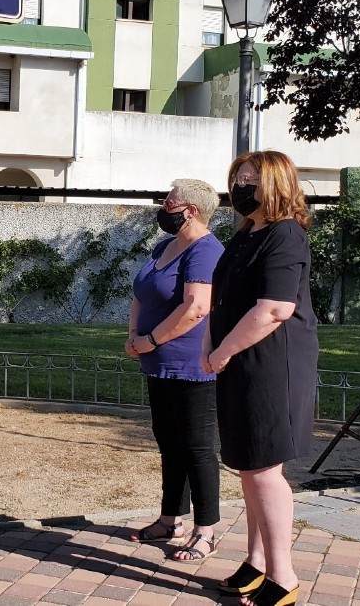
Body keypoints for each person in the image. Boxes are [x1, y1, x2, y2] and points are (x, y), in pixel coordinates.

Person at [204, 151, 317, 606]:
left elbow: (275, 309)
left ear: (276, 184)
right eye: (238, 179)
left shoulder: (285, 235)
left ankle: (283, 578)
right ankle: (255, 563)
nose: (241, 187)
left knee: (264, 469)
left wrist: (223, 350)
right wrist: (210, 345)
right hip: (239, 359)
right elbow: (221, 299)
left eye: (251, 180)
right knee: (249, 466)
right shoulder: (246, 233)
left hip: (271, 364)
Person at [126, 179, 225, 562]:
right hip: (158, 362)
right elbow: (141, 293)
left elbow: (196, 308)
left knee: (197, 448)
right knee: (169, 442)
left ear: (191, 211)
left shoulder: (206, 251)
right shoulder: (164, 247)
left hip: (192, 364)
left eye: (170, 202)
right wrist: (135, 336)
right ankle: (171, 520)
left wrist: (151, 340)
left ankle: (206, 531)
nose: (163, 207)